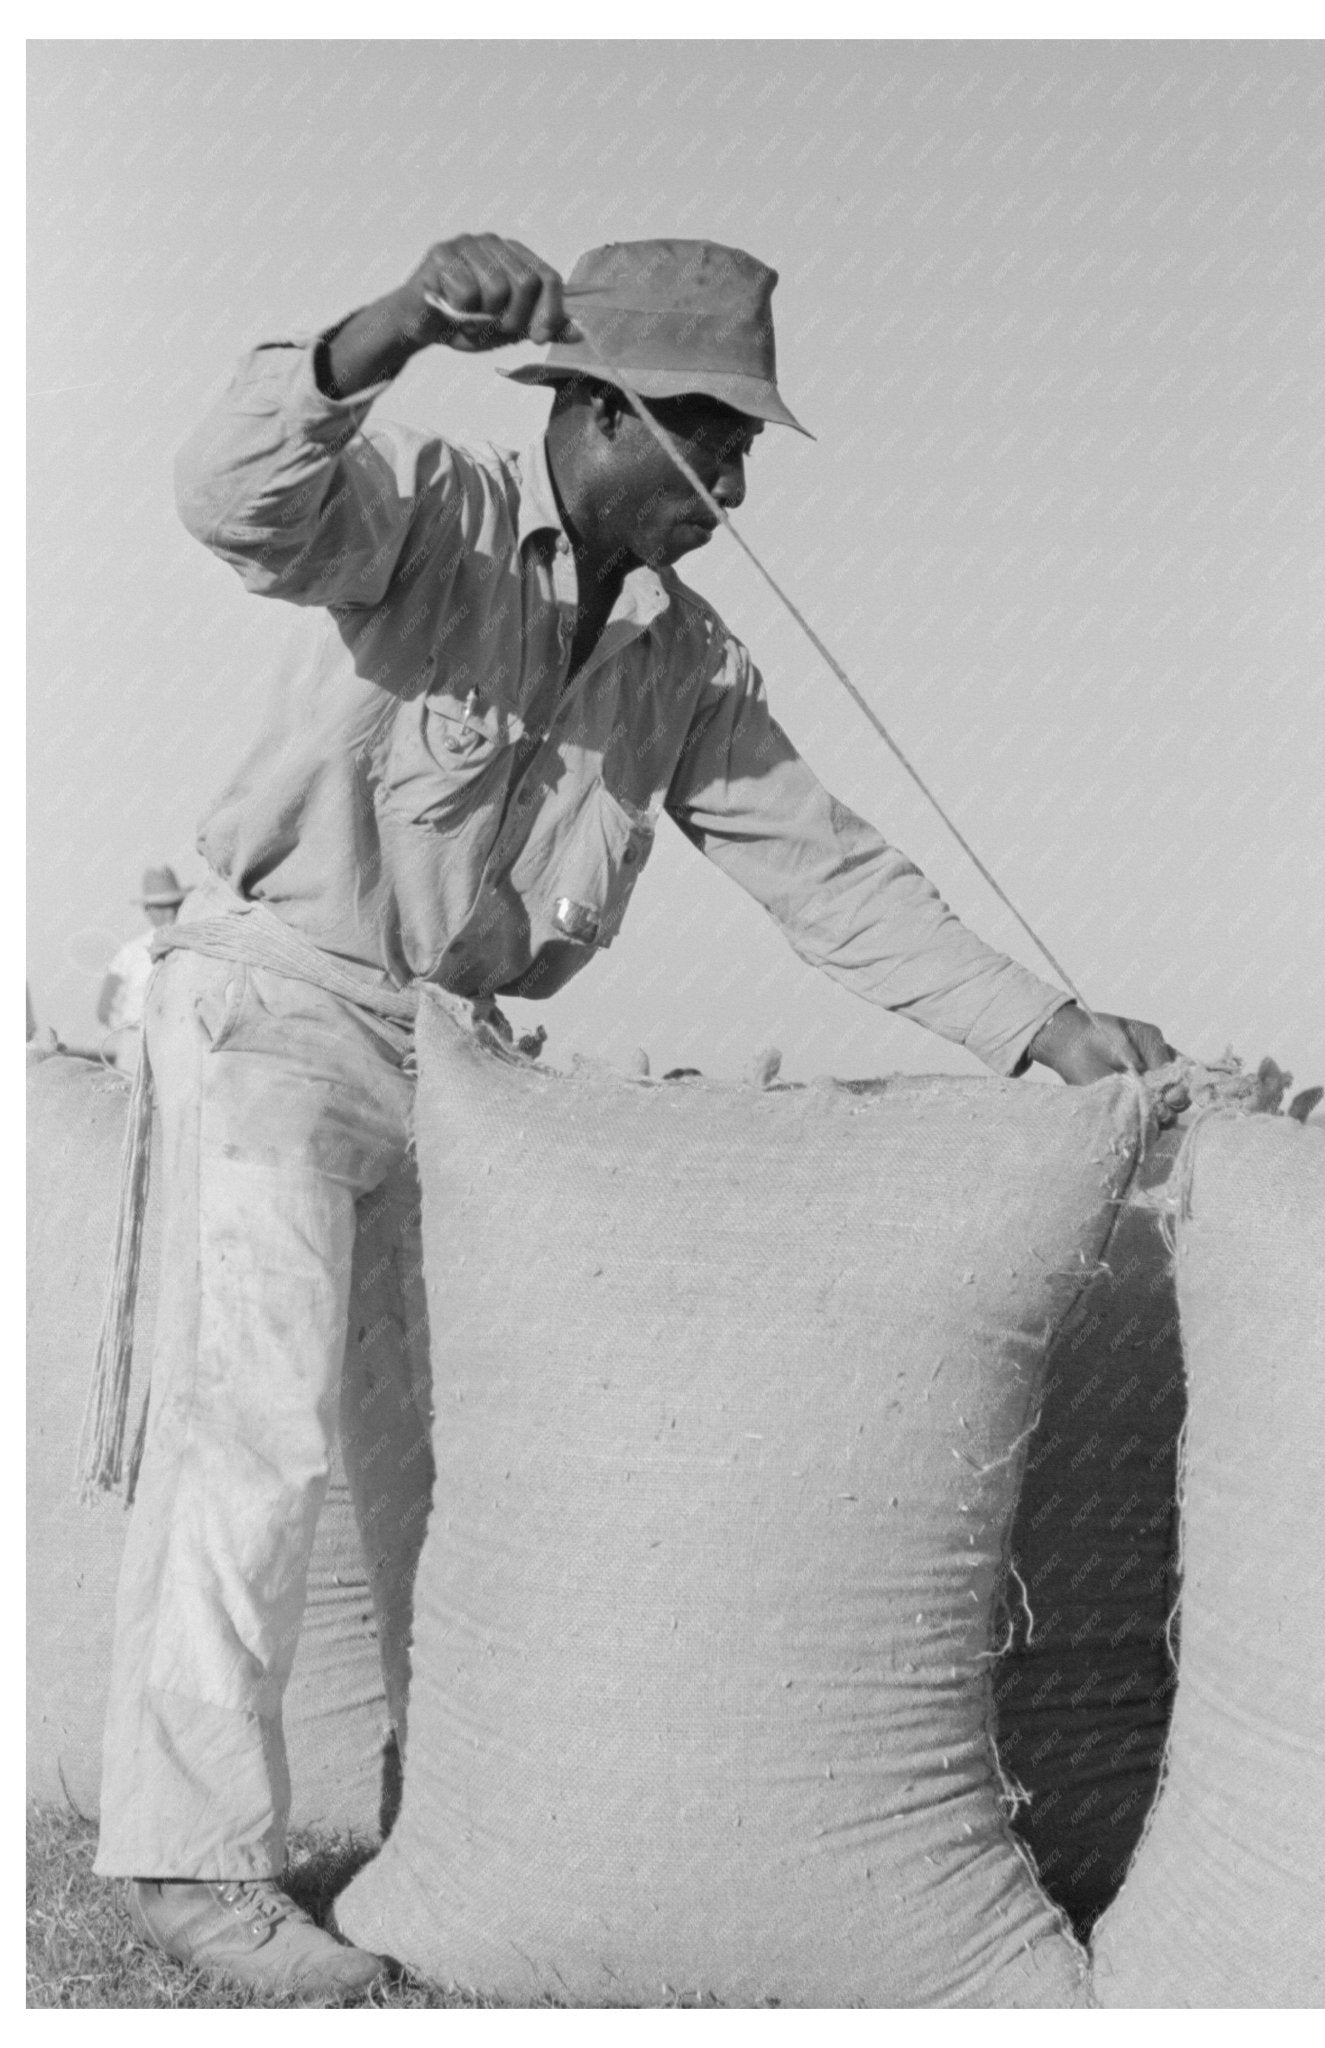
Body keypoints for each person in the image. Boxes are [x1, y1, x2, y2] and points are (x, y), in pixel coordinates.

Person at [96, 234, 1180, 1999]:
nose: (729, 484)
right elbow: (233, 497)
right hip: (277, 1006)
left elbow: (830, 874)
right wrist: (390, 327)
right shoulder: (429, 507)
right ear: (588, 414)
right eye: (701, 436)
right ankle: (189, 1863)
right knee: (254, 1428)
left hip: (452, 1052)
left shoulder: (686, 665)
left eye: (742, 448)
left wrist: (1044, 1024)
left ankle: (437, 1822)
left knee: (435, 1465)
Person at [96, 867, 187, 1070]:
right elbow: (104, 1008)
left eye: (175, 905)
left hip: (182, 1046)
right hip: (136, 1046)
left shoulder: (195, 948)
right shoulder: (130, 953)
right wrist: (134, 1030)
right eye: (161, 907)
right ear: (148, 910)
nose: (171, 912)